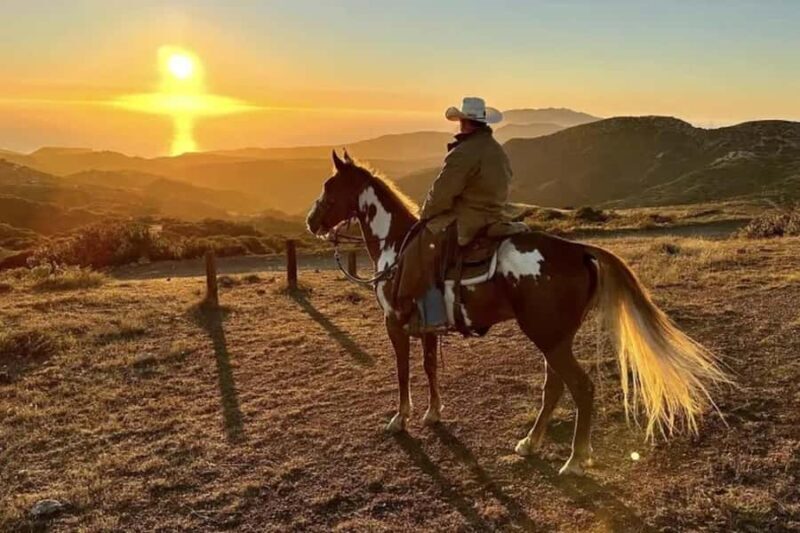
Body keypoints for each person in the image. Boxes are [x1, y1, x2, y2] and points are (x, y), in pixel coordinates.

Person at [394, 96, 513, 334]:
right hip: (494, 215)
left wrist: (426, 216)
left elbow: (442, 193)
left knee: (418, 250)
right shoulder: (495, 149)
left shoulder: (465, 152)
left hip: (468, 219)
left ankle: (430, 316)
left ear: (464, 122)